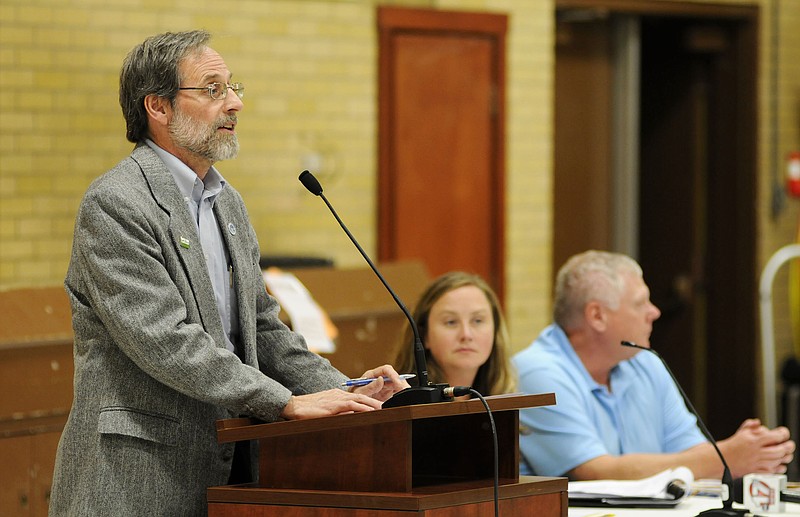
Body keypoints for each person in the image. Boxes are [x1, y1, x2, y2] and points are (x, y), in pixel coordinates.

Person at [48, 30, 409, 516]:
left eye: (233, 87)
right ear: (158, 107)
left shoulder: (227, 203)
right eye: (212, 89)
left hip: (231, 475)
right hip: (137, 480)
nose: (234, 102)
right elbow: (168, 341)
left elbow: (261, 326)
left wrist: (345, 392)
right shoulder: (116, 204)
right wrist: (283, 402)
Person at [513, 250, 795, 480]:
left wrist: (749, 454)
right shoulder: (536, 373)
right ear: (597, 316)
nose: (655, 312)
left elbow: (693, 453)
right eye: (641, 303)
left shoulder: (645, 363)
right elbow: (594, 472)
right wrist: (727, 457)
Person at [392, 271, 516, 397]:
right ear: (424, 334)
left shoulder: (503, 395)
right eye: (451, 322)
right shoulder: (403, 399)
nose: (466, 335)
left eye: (477, 321)